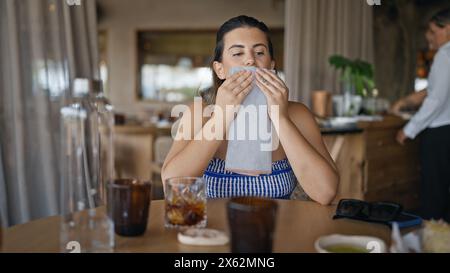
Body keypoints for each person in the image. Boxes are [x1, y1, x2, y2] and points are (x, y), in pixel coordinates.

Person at [162, 15, 338, 205]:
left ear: (271, 65)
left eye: (260, 53)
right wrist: (221, 117)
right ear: (220, 69)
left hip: (277, 232)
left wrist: (280, 118)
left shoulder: (298, 115)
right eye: (238, 53)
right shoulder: (199, 113)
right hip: (213, 233)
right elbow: (172, 185)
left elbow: (325, 192)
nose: (250, 61)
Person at [391, 8, 450, 221]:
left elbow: (435, 100)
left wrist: (408, 130)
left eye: (433, 31)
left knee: (435, 197)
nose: (428, 36)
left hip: (440, 136)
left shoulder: (445, 55)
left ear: (448, 29)